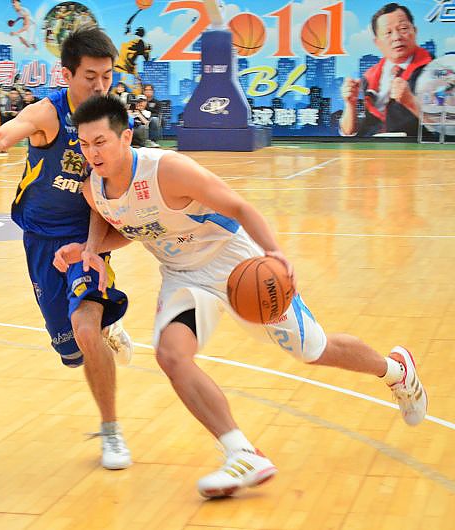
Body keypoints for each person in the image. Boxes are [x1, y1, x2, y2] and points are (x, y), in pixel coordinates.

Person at [55, 94, 429, 498]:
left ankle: (395, 371)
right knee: (171, 356)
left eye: (101, 142)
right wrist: (89, 249)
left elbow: (239, 207)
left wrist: (275, 253)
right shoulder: (94, 188)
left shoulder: (169, 170)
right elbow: (126, 223)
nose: (92, 152)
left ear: (126, 137)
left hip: (235, 263)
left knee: (313, 349)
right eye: (85, 143)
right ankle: (242, 453)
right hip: (183, 276)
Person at [0, 27, 134, 470]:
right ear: (67, 75)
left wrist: (94, 246)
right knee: (71, 354)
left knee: (85, 329)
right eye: (90, 77)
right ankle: (105, 327)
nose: (100, 86)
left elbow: (111, 188)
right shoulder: (49, 113)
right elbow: (13, 130)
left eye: (108, 76)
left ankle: (111, 431)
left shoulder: (111, 119)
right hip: (40, 239)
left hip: (87, 238)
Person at [340, 3, 432, 137]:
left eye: (403, 28)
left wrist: (411, 102)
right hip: (371, 148)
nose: (396, 37)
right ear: (377, 42)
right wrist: (350, 104)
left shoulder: (436, 71)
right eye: (388, 33)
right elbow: (349, 132)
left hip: (415, 148)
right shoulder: (368, 77)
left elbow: (446, 126)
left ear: (415, 31)